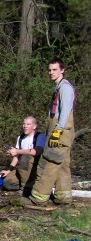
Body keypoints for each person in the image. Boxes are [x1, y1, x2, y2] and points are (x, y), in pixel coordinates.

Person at [24, 58, 76, 206]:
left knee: (50, 161)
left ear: (62, 70)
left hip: (61, 129)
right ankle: (63, 197)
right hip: (58, 128)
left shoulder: (65, 87)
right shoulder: (58, 87)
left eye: (54, 70)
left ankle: (39, 197)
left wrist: (57, 130)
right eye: (49, 70)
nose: (51, 72)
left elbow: (65, 111)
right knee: (63, 163)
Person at [0, 116, 45, 195]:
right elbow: (16, 156)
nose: (25, 126)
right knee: (7, 183)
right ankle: (27, 184)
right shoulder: (20, 137)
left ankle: (26, 188)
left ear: (34, 126)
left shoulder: (40, 136)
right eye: (24, 124)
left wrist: (17, 151)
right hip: (23, 169)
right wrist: (9, 170)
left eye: (28, 124)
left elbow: (35, 152)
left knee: (25, 157)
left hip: (37, 168)